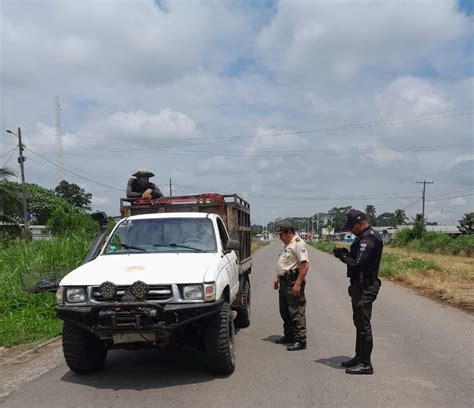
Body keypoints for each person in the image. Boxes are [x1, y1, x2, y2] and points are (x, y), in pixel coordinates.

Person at [333, 209, 383, 375]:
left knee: (363, 324)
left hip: (366, 287)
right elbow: (357, 259)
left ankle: (366, 363)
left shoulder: (368, 239)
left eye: (351, 227)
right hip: (359, 286)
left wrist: (342, 257)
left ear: (360, 223)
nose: (350, 230)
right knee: (358, 322)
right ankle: (359, 357)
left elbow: (359, 264)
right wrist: (346, 254)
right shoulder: (362, 237)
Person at [272, 220, 309, 351]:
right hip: (284, 281)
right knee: (285, 311)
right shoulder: (286, 244)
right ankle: (289, 335)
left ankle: (300, 340)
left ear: (289, 233)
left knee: (296, 311)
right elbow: (284, 263)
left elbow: (304, 265)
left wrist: (298, 283)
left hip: (293, 281)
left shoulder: (298, 244)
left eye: (281, 234)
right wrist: (277, 277)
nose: (279, 237)